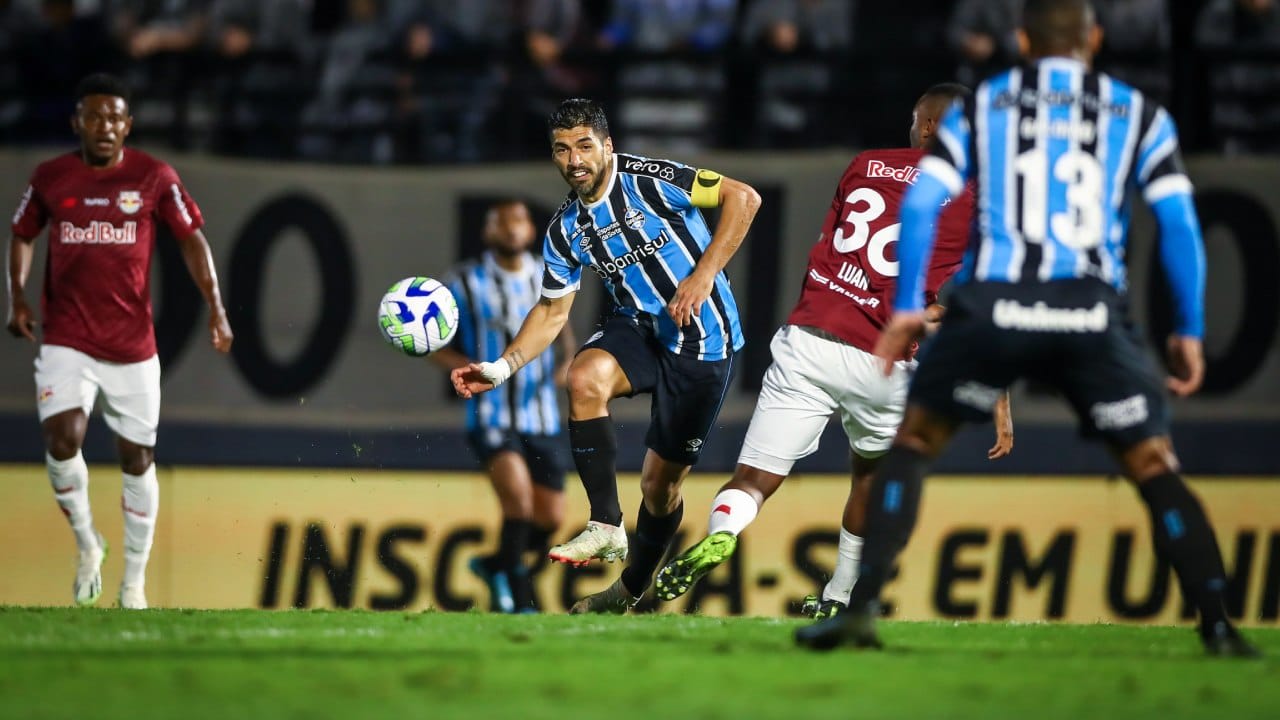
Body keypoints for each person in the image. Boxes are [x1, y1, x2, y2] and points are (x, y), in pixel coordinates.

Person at [795, 0, 1259, 658]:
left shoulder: (984, 105)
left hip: (995, 306)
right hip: (1092, 312)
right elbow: (1181, 226)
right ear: (1094, 39)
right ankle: (1217, 623)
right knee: (1153, 464)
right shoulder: (1141, 114)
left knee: (913, 444)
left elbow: (925, 199)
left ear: (1021, 40)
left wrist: (904, 307)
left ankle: (858, 610)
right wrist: (1188, 327)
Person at [652, 84, 1014, 615]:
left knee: (753, 479)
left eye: (916, 120)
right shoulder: (978, 199)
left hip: (810, 339)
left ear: (930, 126)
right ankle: (840, 596)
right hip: (886, 357)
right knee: (869, 472)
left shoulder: (865, 165)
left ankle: (725, 529)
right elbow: (984, 298)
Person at [452, 98, 760, 614]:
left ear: (608, 146)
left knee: (660, 489)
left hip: (702, 344)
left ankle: (630, 588)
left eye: (584, 146)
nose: (574, 160)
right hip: (637, 330)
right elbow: (551, 312)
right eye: (562, 150)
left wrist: (703, 274)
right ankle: (605, 524)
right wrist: (502, 367)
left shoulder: (654, 178)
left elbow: (743, 199)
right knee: (584, 377)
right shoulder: (565, 228)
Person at [6, 73, 233, 609]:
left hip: (132, 344)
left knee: (138, 458)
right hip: (67, 335)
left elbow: (191, 238)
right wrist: (17, 295)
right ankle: (88, 546)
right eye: (94, 117)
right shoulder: (50, 177)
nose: (104, 127)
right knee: (63, 439)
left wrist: (217, 308)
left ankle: (134, 584)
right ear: (76, 123)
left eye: (114, 118)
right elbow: (21, 233)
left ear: (128, 125)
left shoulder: (154, 177)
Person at [429, 199, 572, 613]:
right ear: (488, 232)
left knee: (550, 519)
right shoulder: (464, 281)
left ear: (530, 230)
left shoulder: (549, 275)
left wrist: (567, 366)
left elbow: (562, 329)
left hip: (541, 414)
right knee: (520, 504)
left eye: (519, 220)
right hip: (491, 415)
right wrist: (462, 366)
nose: (511, 228)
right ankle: (519, 599)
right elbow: (429, 337)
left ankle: (494, 564)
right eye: (501, 222)